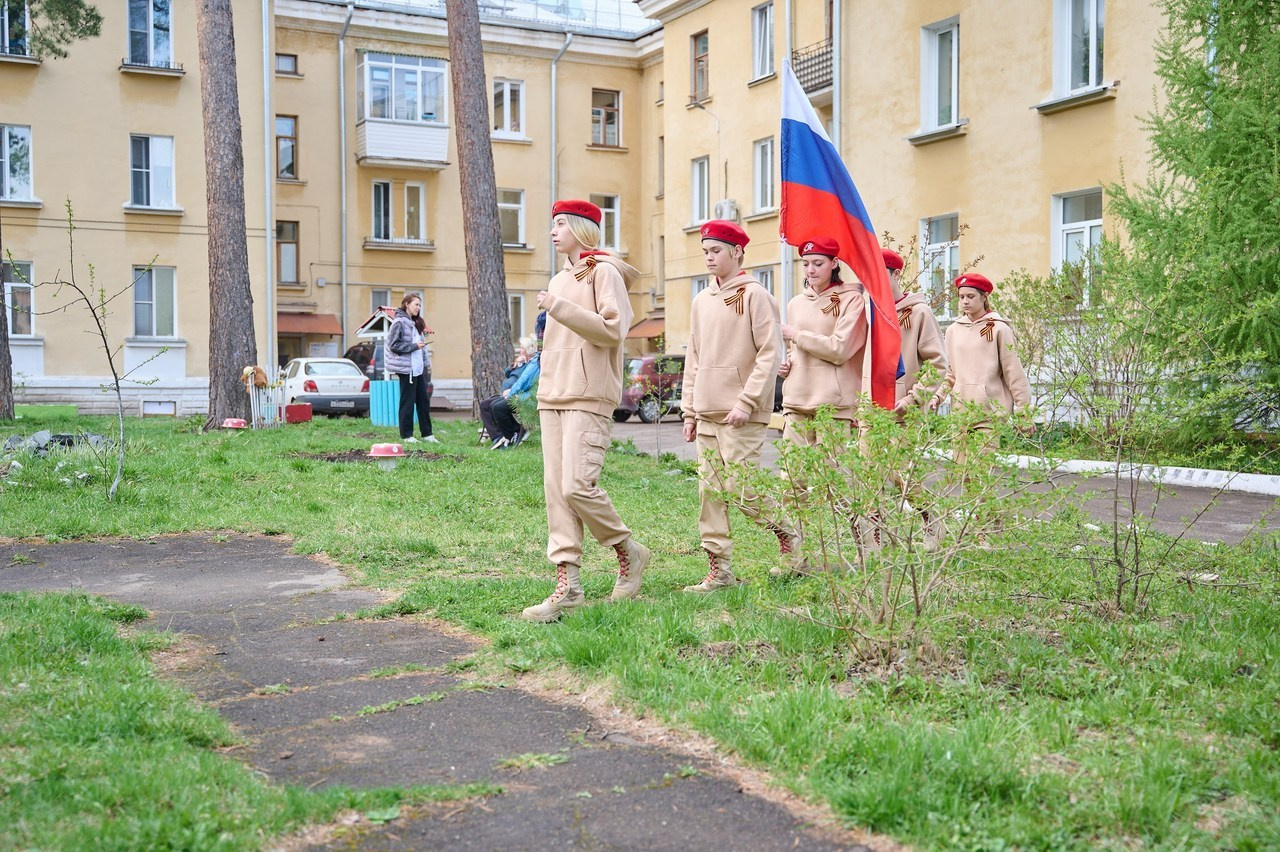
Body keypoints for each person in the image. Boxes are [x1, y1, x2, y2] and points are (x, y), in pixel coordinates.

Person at [521, 199, 652, 623]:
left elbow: (613, 330)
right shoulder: (559, 278)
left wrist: (557, 306)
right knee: (557, 493)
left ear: (583, 228)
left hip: (589, 393)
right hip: (553, 393)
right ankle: (569, 586)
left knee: (578, 486)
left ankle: (627, 551)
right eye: (552, 223)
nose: (553, 231)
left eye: (561, 223)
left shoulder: (604, 271)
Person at [681, 220, 795, 592]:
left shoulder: (755, 295)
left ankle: (793, 537)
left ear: (737, 252)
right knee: (709, 494)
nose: (709, 258)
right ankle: (721, 571)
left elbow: (770, 352)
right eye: (705, 252)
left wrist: (747, 401)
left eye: (715, 251)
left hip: (742, 413)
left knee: (743, 490)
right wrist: (689, 410)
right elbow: (693, 357)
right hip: (708, 412)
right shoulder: (701, 300)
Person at [779, 237, 868, 440]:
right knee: (792, 471)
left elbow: (840, 349)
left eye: (818, 263)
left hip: (834, 404)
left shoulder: (852, 300)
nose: (811, 270)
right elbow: (793, 351)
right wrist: (785, 365)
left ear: (834, 263)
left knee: (829, 470)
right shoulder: (795, 303)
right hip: (796, 399)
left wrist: (796, 336)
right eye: (806, 264)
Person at [929, 272, 1034, 439]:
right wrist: (937, 396)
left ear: (984, 296)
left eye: (970, 296)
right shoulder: (952, 330)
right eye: (961, 296)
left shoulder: (999, 329)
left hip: (990, 415)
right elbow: (950, 373)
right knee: (959, 465)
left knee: (982, 465)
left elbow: (1013, 372)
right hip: (960, 414)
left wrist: (1024, 413)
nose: (965, 301)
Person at [886, 248, 948, 413]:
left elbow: (938, 364)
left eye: (880, 272)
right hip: (870, 417)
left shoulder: (919, 312)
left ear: (896, 274)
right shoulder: (869, 313)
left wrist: (914, 398)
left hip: (905, 417)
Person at [479, 311, 545, 449]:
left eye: (522, 348)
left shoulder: (534, 362)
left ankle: (511, 435)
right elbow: (509, 374)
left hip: (522, 395)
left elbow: (523, 382)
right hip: (513, 392)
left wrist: (511, 392)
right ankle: (498, 436)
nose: (520, 350)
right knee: (486, 404)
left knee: (496, 406)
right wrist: (515, 365)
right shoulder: (526, 363)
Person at [386, 294, 439, 444]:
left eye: (420, 305)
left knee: (423, 401)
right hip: (406, 370)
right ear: (406, 304)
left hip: (418, 369)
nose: (418, 307)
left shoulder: (416, 323)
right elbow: (393, 345)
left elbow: (421, 348)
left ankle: (427, 434)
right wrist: (414, 346)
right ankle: (406, 435)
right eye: (416, 304)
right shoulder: (399, 322)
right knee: (407, 402)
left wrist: (426, 363)